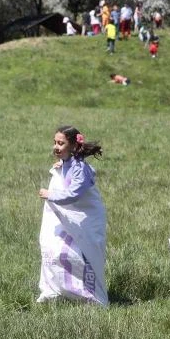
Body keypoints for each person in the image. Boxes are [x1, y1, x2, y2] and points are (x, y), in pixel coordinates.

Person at [37, 126, 107, 306]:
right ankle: (61, 290)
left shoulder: (80, 169)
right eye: (55, 142)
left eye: (61, 143)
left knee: (81, 256)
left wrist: (50, 194)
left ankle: (89, 295)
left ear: (74, 146)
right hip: (73, 218)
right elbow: (67, 171)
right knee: (55, 249)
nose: (56, 147)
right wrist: (62, 166)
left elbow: (73, 194)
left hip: (88, 219)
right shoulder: (67, 163)